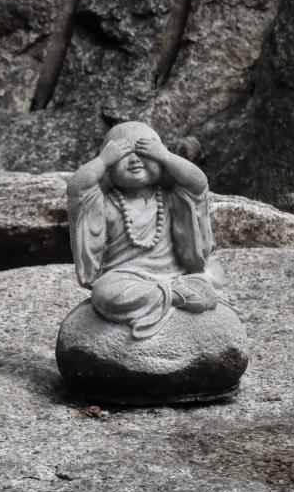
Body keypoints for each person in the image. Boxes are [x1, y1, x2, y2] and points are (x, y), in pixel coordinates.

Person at [67, 121, 222, 339]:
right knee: (105, 294)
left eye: (143, 152)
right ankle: (177, 295)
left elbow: (198, 183)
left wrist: (165, 156)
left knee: (213, 273)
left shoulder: (171, 198)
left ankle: (175, 290)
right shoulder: (105, 204)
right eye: (124, 154)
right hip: (124, 277)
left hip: (174, 272)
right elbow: (77, 188)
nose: (134, 160)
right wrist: (102, 160)